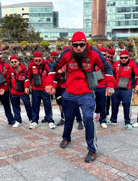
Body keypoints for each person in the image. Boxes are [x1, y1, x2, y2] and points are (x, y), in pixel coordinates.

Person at [45, 31, 114, 162]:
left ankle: (92, 149)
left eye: (81, 45)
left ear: (86, 43)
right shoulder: (66, 53)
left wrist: (110, 85)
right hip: (69, 93)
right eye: (75, 45)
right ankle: (66, 138)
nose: (78, 48)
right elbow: (54, 67)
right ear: (71, 45)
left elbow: (107, 68)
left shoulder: (94, 53)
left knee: (88, 118)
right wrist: (50, 82)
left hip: (86, 93)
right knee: (68, 117)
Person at [110, 50, 138, 130]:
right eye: (122, 58)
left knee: (126, 105)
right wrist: (110, 86)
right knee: (114, 105)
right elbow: (110, 75)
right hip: (116, 88)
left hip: (127, 89)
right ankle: (113, 120)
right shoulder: (116, 64)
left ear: (129, 57)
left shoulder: (133, 64)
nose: (123, 59)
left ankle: (127, 122)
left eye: (125, 57)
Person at [56, 46, 84, 130]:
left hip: (72, 87)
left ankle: (80, 121)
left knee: (74, 104)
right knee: (62, 103)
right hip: (62, 86)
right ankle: (63, 118)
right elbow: (54, 72)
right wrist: (58, 72)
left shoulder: (74, 61)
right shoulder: (60, 62)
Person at [25, 52, 55, 129]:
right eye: (36, 60)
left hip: (45, 89)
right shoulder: (31, 65)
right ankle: (34, 121)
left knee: (47, 105)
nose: (38, 61)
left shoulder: (47, 65)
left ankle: (50, 120)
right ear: (33, 59)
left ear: (42, 58)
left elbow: (52, 75)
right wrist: (27, 86)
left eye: (39, 59)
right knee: (35, 105)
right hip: (35, 89)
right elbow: (28, 76)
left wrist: (52, 86)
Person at [4, 56, 32, 127]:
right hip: (13, 92)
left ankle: (31, 119)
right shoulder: (10, 70)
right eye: (12, 62)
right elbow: (7, 80)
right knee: (15, 106)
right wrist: (4, 88)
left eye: (15, 61)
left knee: (28, 105)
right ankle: (18, 120)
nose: (14, 63)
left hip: (23, 92)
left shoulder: (25, 69)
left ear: (18, 62)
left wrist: (26, 87)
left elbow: (27, 79)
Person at [93, 47, 108, 129]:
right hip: (93, 86)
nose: (102, 56)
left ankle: (102, 120)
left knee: (102, 104)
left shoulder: (107, 64)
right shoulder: (93, 62)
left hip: (102, 86)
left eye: (104, 55)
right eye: (101, 54)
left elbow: (110, 76)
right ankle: (91, 119)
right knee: (91, 103)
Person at [106, 49, 116, 122]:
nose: (109, 58)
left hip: (114, 84)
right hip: (106, 84)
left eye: (111, 57)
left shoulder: (114, 64)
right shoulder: (105, 62)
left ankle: (111, 116)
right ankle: (104, 114)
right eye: (108, 56)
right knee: (105, 100)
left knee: (112, 102)